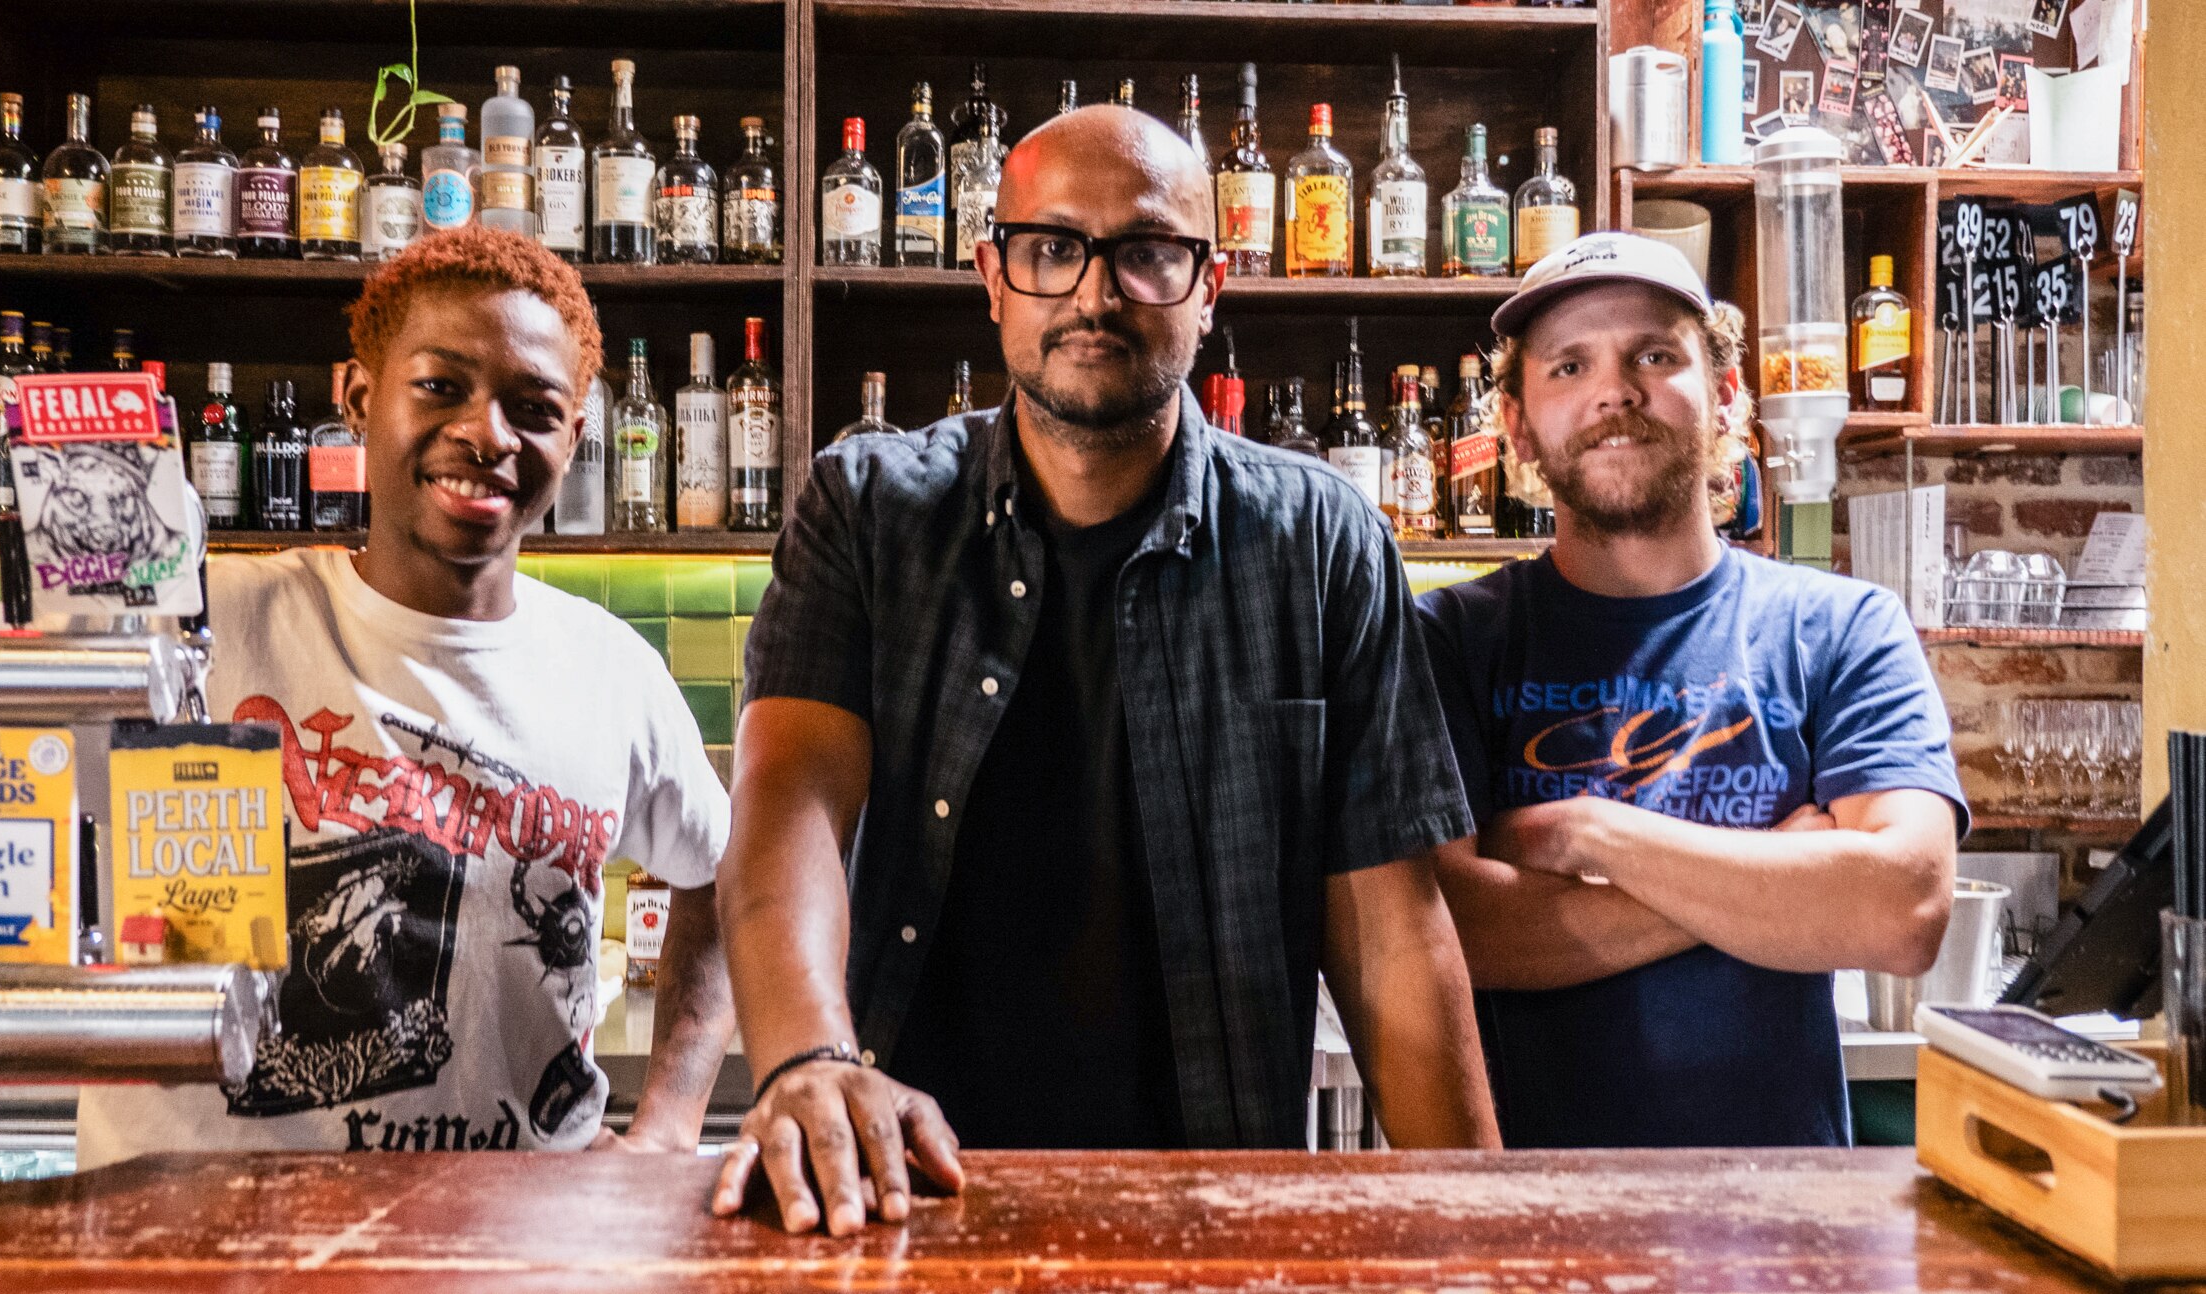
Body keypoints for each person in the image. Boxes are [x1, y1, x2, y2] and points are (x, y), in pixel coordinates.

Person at [713, 104, 1498, 1236]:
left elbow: (1389, 933)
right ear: (991, 276)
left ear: (1207, 285)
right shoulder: (869, 509)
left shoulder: (1318, 539)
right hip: (903, 1197)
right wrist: (808, 1057)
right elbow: (787, 802)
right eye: (1050, 250)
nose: (1093, 293)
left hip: (1215, 1212)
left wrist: (1479, 1225)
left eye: (1144, 252)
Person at [77, 227, 733, 1164]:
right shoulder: (199, 627)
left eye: (533, 406)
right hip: (208, 1250)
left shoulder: (611, 670)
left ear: (575, 438)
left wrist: (667, 1124)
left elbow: (723, 870)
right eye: (440, 385)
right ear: (358, 397)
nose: (487, 433)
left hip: (512, 1253)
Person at [1416, 231, 1967, 1150]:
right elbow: (1448, 931)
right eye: (1568, 365)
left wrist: (1594, 834)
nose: (1614, 390)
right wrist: (1778, 883)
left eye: (1656, 355)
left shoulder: (1840, 628)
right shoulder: (1453, 643)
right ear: (1515, 424)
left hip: (1779, 1234)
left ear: (1726, 395)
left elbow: (1902, 909)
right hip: (1527, 1228)